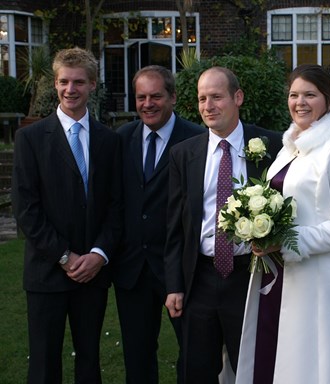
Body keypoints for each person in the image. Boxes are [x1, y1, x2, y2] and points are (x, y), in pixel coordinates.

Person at [235, 64, 330, 383]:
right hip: (287, 275)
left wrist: (285, 242)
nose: (300, 102)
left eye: (310, 95)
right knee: (285, 361)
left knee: (319, 365)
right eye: (294, 94)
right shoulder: (291, 146)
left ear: (327, 100)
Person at [164, 66, 282, 382]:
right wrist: (174, 284)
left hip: (251, 277)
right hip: (199, 278)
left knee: (255, 369)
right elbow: (175, 226)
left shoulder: (271, 146)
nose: (207, 106)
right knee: (196, 369)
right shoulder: (183, 153)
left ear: (237, 97)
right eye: (202, 98)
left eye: (216, 97)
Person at [11, 47, 122, 383]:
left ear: (92, 85)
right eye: (63, 81)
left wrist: (99, 255)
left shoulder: (109, 140)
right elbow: (26, 208)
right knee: (44, 363)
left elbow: (117, 206)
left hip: (93, 274)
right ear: (56, 84)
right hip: (46, 272)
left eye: (78, 82)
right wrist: (64, 255)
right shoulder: (30, 138)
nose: (70, 89)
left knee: (89, 361)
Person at [112, 65, 205, 384]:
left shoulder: (196, 138)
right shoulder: (121, 138)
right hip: (132, 269)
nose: (147, 104)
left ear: (173, 97)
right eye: (141, 97)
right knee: (137, 358)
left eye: (155, 96)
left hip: (181, 268)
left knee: (193, 355)